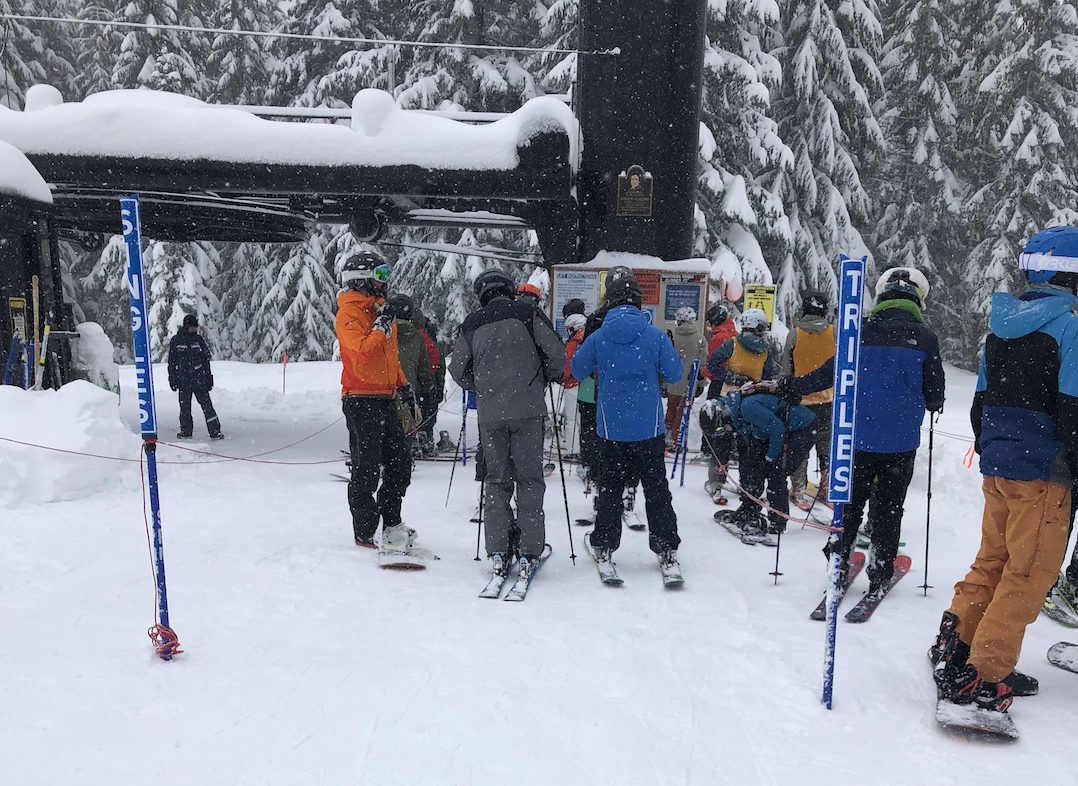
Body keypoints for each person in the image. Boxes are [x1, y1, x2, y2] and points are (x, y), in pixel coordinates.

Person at [931, 227, 1078, 715]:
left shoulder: (1003, 327)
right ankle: (982, 675)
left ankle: (956, 644)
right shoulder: (1071, 328)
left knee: (993, 560)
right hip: (1045, 473)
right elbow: (1074, 412)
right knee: (1029, 573)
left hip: (1001, 467)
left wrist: (999, 451)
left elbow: (980, 405)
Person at [787, 266, 945, 597]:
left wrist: (793, 387)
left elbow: (827, 374)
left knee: (850, 502)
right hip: (900, 442)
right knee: (888, 507)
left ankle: (839, 559)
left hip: (855, 438)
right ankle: (880, 567)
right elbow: (934, 397)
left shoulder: (858, 333)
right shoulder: (926, 338)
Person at [449, 269, 565, 585]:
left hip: (490, 414)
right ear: (508, 289)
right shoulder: (527, 312)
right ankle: (529, 550)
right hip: (527, 409)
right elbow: (556, 354)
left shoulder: (472, 324)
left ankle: (498, 549)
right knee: (529, 479)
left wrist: (483, 386)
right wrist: (546, 376)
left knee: (496, 480)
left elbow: (457, 370)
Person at [570, 276, 684, 579]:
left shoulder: (599, 336)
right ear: (637, 301)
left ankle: (605, 544)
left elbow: (576, 369)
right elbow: (675, 374)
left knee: (610, 489)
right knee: (657, 489)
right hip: (649, 429)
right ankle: (666, 546)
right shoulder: (655, 336)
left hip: (611, 429)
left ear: (610, 302)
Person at [336, 250, 421, 564]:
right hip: (360, 400)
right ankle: (365, 530)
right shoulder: (348, 314)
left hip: (385, 399)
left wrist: (402, 385)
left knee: (400, 465)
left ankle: (392, 523)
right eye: (380, 275)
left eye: (386, 275)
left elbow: (389, 356)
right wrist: (381, 324)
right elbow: (362, 353)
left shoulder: (380, 311)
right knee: (366, 468)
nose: (385, 282)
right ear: (361, 279)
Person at [712, 387, 817, 539]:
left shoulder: (747, 408)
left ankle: (778, 522)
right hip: (781, 430)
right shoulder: (738, 412)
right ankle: (750, 508)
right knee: (753, 465)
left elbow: (778, 430)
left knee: (776, 473)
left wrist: (769, 457)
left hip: (803, 429)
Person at [780, 290, 835, 506]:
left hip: (800, 401)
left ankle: (798, 489)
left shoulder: (795, 334)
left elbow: (787, 369)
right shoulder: (834, 333)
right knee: (825, 446)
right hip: (827, 399)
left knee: (800, 446)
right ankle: (826, 487)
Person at [387, 294, 434, 455]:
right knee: (407, 421)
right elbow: (424, 367)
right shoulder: (417, 336)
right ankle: (410, 444)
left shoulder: (384, 332)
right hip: (410, 389)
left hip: (386, 388)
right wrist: (428, 388)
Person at [167, 314, 223, 440]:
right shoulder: (176, 341)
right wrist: (172, 378)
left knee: (207, 406)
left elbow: (205, 361)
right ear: (186, 326)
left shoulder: (199, 340)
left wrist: (209, 377)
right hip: (183, 380)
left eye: (196, 328)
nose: (195, 330)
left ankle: (215, 431)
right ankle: (186, 432)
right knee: (185, 408)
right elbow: (171, 362)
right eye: (193, 327)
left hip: (199, 380)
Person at [664, 306, 708, 450]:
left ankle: (664, 436)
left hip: (673, 381)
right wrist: (700, 383)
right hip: (690, 382)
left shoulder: (670, 337)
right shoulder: (700, 339)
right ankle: (677, 441)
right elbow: (702, 364)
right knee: (682, 412)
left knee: (671, 410)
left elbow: (665, 359)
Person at [706, 308, 776, 395]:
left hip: (730, 395)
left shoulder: (733, 343)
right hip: (753, 395)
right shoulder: (766, 349)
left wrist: (730, 378)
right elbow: (767, 377)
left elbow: (712, 364)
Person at [561, 312, 588, 464]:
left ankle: (572, 450)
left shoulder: (573, 343)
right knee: (581, 418)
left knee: (571, 419)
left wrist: (563, 377)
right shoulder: (588, 338)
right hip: (586, 385)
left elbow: (568, 365)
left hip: (572, 384)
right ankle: (584, 447)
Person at [701, 303, 739, 400]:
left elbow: (713, 362)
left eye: (709, 324)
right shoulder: (736, 335)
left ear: (716, 321)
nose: (710, 328)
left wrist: (702, 373)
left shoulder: (719, 338)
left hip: (719, 382)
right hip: (735, 381)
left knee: (712, 410)